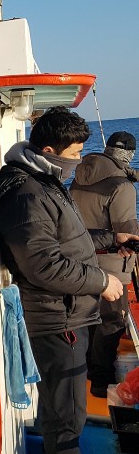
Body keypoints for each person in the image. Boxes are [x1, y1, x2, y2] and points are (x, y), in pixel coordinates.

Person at [0, 107, 135, 454]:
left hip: (68, 314)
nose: (79, 161)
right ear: (49, 150)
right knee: (65, 418)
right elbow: (43, 264)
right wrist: (101, 281)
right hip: (57, 319)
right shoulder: (26, 194)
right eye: (73, 153)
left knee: (69, 412)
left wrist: (111, 240)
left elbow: (65, 239)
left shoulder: (40, 180)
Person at [70, 131, 139, 397]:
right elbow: (127, 233)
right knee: (111, 322)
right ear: (130, 155)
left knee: (87, 320)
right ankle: (101, 383)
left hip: (81, 260)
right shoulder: (122, 187)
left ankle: (85, 375)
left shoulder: (81, 174)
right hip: (112, 266)